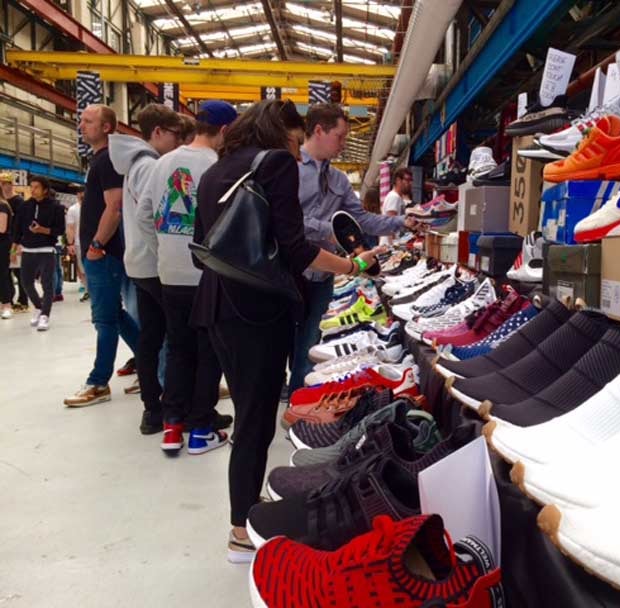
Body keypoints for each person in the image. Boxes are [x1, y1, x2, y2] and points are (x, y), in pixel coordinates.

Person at [192, 99, 380, 563]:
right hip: (257, 311)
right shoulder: (274, 163)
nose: (297, 153)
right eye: (296, 142)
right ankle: (242, 530)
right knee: (254, 422)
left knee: (249, 415)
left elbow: (201, 244)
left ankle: (245, 510)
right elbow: (296, 250)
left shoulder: (217, 169)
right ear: (283, 134)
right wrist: (353, 266)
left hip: (216, 303)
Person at [290, 103, 418, 393]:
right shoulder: (290, 169)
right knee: (285, 340)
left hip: (323, 273)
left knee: (310, 340)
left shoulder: (338, 179)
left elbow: (362, 220)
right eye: (340, 136)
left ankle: (302, 397)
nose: (343, 144)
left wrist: (402, 222)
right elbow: (287, 220)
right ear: (319, 131)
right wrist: (329, 231)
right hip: (291, 270)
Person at [145, 99, 236, 454]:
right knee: (209, 351)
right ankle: (200, 429)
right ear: (224, 130)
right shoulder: (219, 167)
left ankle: (172, 426)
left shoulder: (162, 163)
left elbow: (143, 214)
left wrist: (164, 249)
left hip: (169, 272)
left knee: (178, 348)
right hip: (206, 274)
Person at [109, 103, 183, 435]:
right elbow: (153, 216)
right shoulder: (151, 165)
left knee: (150, 337)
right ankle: (174, 408)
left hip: (139, 262)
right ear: (158, 132)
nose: (178, 142)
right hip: (154, 264)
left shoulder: (134, 163)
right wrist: (165, 254)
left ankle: (153, 409)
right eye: (175, 135)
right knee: (177, 338)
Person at [64, 104, 139, 408]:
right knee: (115, 316)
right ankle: (150, 364)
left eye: (88, 121)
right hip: (100, 253)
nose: (81, 125)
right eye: (81, 120)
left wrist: (97, 244)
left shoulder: (107, 159)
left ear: (106, 127)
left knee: (105, 319)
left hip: (104, 253)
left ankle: (98, 382)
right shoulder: (100, 159)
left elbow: (115, 206)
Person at [12, 175, 65, 331]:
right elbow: (17, 229)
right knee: (26, 282)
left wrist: (43, 230)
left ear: (45, 190)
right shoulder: (24, 206)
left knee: (47, 283)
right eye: (31, 187)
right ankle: (38, 306)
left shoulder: (56, 207)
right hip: (27, 249)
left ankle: (45, 315)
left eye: (36, 187)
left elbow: (59, 230)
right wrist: (14, 249)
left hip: (46, 249)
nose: (33, 190)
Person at [0, 172, 28, 311]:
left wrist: (21, 242)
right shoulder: (4, 202)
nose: (5, 186)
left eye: (7, 183)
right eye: (3, 184)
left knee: (18, 271)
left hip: (15, 240)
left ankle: (23, 300)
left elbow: (23, 222)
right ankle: (8, 298)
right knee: (6, 272)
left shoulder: (18, 201)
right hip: (7, 239)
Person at [66, 186, 89, 302]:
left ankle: (91, 290)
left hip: (92, 242)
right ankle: (87, 290)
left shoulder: (92, 207)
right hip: (79, 243)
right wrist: (70, 243)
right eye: (80, 193)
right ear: (77, 195)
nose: (82, 195)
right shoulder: (73, 209)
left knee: (90, 268)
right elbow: (70, 227)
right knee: (82, 268)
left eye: (83, 192)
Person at [380, 167, 413, 245]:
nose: (410, 183)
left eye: (411, 180)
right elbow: (390, 224)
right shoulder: (394, 197)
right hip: (390, 246)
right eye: (407, 180)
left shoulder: (398, 198)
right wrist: (393, 246)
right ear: (398, 180)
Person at [0, 191, 12, 319]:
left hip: (2, 244)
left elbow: (2, 228)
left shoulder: (2, 206)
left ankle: (7, 305)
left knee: (2, 275)